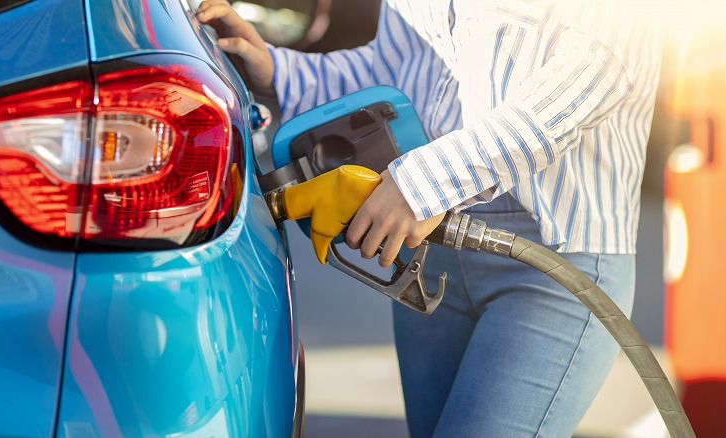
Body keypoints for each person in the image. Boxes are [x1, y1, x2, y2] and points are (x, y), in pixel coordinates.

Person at [197, 0, 662, 436]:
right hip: (432, 248)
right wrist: (279, 69)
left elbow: (593, 76)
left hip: (552, 260)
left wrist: (427, 183)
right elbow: (391, 69)